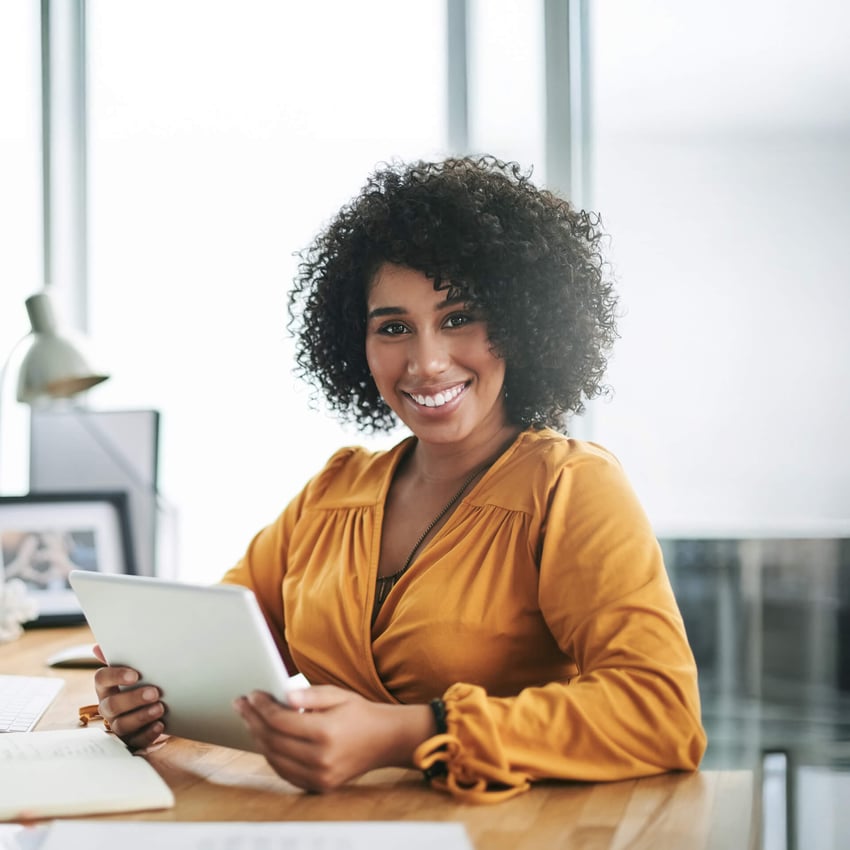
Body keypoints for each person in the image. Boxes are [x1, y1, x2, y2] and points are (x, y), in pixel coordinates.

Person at [93, 155, 707, 803]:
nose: (427, 362)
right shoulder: (335, 491)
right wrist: (147, 701)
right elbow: (218, 653)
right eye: (393, 328)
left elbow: (661, 712)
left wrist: (408, 733)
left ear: (523, 325)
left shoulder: (569, 487)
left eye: (458, 318)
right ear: (354, 342)